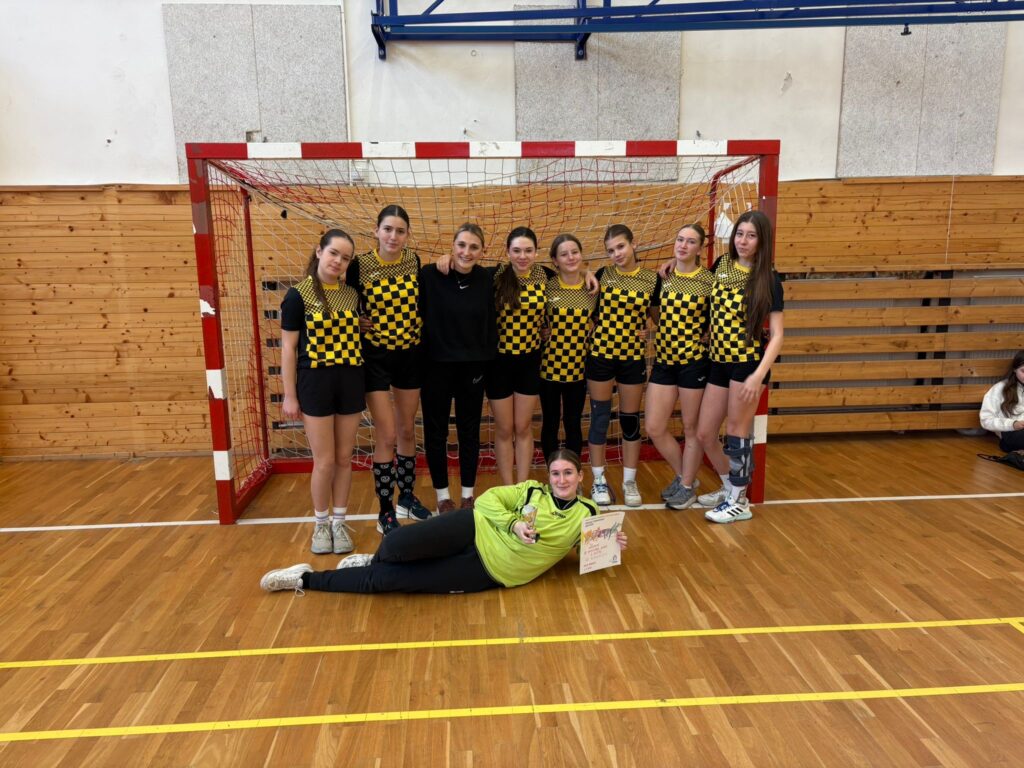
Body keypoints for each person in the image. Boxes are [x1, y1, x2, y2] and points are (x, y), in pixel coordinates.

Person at [259, 449, 628, 595]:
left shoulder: (588, 514)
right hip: (473, 526)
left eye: (568, 473)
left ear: (581, 477)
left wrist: (611, 545)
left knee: (386, 582)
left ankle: (304, 579)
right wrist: (514, 524)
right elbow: (488, 500)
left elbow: (586, 554)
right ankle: (373, 558)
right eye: (556, 473)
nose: (561, 480)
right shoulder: (532, 491)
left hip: (490, 571)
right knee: (394, 544)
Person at [692, 210, 784, 524]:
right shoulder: (721, 265)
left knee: (737, 432)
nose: (743, 241)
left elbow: (778, 335)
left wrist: (757, 376)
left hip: (747, 365)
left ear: (762, 241)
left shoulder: (769, 279)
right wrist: (670, 267)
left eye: (751, 236)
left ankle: (739, 501)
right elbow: (695, 283)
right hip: (718, 361)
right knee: (705, 433)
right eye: (740, 234)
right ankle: (730, 487)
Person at [280, 229, 364, 555]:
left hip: (350, 380)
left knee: (344, 458)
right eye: (333, 253)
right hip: (315, 383)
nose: (338, 261)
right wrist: (290, 395)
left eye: (345, 258)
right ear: (319, 252)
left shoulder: (351, 295)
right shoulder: (297, 296)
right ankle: (320, 524)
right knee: (325, 461)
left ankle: (339, 522)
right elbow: (288, 349)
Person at [348, 204, 430, 536]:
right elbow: (344, 301)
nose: (393, 236)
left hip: (409, 353)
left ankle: (406, 498)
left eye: (400, 231)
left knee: (407, 430)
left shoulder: (414, 261)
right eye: (387, 229)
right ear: (376, 231)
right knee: (387, 435)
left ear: (407, 235)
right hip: (376, 357)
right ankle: (385, 511)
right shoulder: (359, 265)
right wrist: (355, 320)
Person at [418, 224, 498, 514]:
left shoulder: (488, 278)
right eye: (461, 245)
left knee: (469, 432)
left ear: (482, 251)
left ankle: (467, 496)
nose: (467, 252)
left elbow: (538, 271)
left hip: (472, 368)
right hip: (435, 367)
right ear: (452, 246)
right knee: (436, 432)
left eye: (474, 247)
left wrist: (586, 273)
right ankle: (442, 497)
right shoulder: (430, 274)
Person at [586, 224, 660, 508]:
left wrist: (649, 330)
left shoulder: (651, 280)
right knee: (600, 418)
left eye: (620, 246)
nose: (616, 253)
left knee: (630, 420)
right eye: (610, 250)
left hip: (632, 357)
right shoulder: (602, 275)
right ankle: (599, 480)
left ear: (633, 244)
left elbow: (658, 319)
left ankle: (630, 481)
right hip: (601, 356)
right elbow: (590, 312)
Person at [645, 224, 715, 510]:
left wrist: (706, 334)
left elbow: (717, 316)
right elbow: (654, 312)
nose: (683, 245)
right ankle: (685, 476)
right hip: (664, 361)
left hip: (693, 363)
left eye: (691, 241)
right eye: (680, 239)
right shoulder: (663, 276)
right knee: (654, 426)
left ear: (700, 248)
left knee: (690, 427)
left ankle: (686, 487)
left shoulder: (709, 281)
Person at [488, 227, 555, 485]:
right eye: (516, 250)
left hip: (530, 361)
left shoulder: (545, 275)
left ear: (536, 252)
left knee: (523, 426)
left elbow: (573, 276)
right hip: (499, 364)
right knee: (505, 429)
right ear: (507, 252)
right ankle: (509, 488)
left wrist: (587, 274)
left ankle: (523, 486)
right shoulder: (495, 276)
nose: (522, 256)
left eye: (528, 250)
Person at [539, 234, 596, 461]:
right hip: (548, 368)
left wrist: (640, 330)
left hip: (578, 369)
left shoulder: (593, 287)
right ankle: (552, 472)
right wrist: (541, 331)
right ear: (555, 260)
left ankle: (573, 472)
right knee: (550, 422)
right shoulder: (547, 285)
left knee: (573, 422)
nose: (570, 257)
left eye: (574, 252)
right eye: (564, 254)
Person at [979, 350, 1024, 452]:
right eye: (1023, 371)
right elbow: (986, 420)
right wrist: (1013, 424)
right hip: (1011, 433)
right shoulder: (1000, 389)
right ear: (1015, 369)